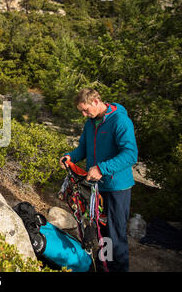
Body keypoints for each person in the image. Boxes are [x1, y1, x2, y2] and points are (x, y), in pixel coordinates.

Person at [59, 88, 138, 272]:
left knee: (115, 234)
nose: (84, 114)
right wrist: (70, 157)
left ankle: (118, 269)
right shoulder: (90, 123)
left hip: (117, 188)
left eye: (86, 110)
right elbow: (83, 148)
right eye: (82, 112)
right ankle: (105, 267)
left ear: (96, 101)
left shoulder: (120, 121)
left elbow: (131, 154)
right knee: (102, 232)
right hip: (97, 188)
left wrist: (102, 168)